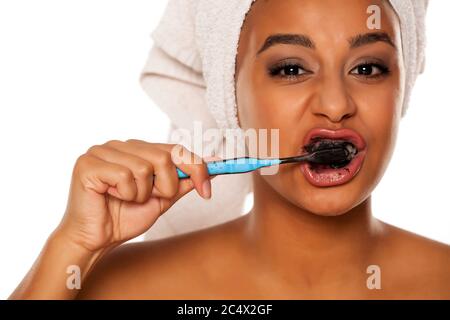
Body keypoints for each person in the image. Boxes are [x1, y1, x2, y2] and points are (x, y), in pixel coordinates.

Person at [10, 0, 450, 299]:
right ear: (228, 95)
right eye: (291, 68)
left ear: (404, 87)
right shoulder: (121, 286)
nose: (336, 105)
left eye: (368, 67)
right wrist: (71, 247)